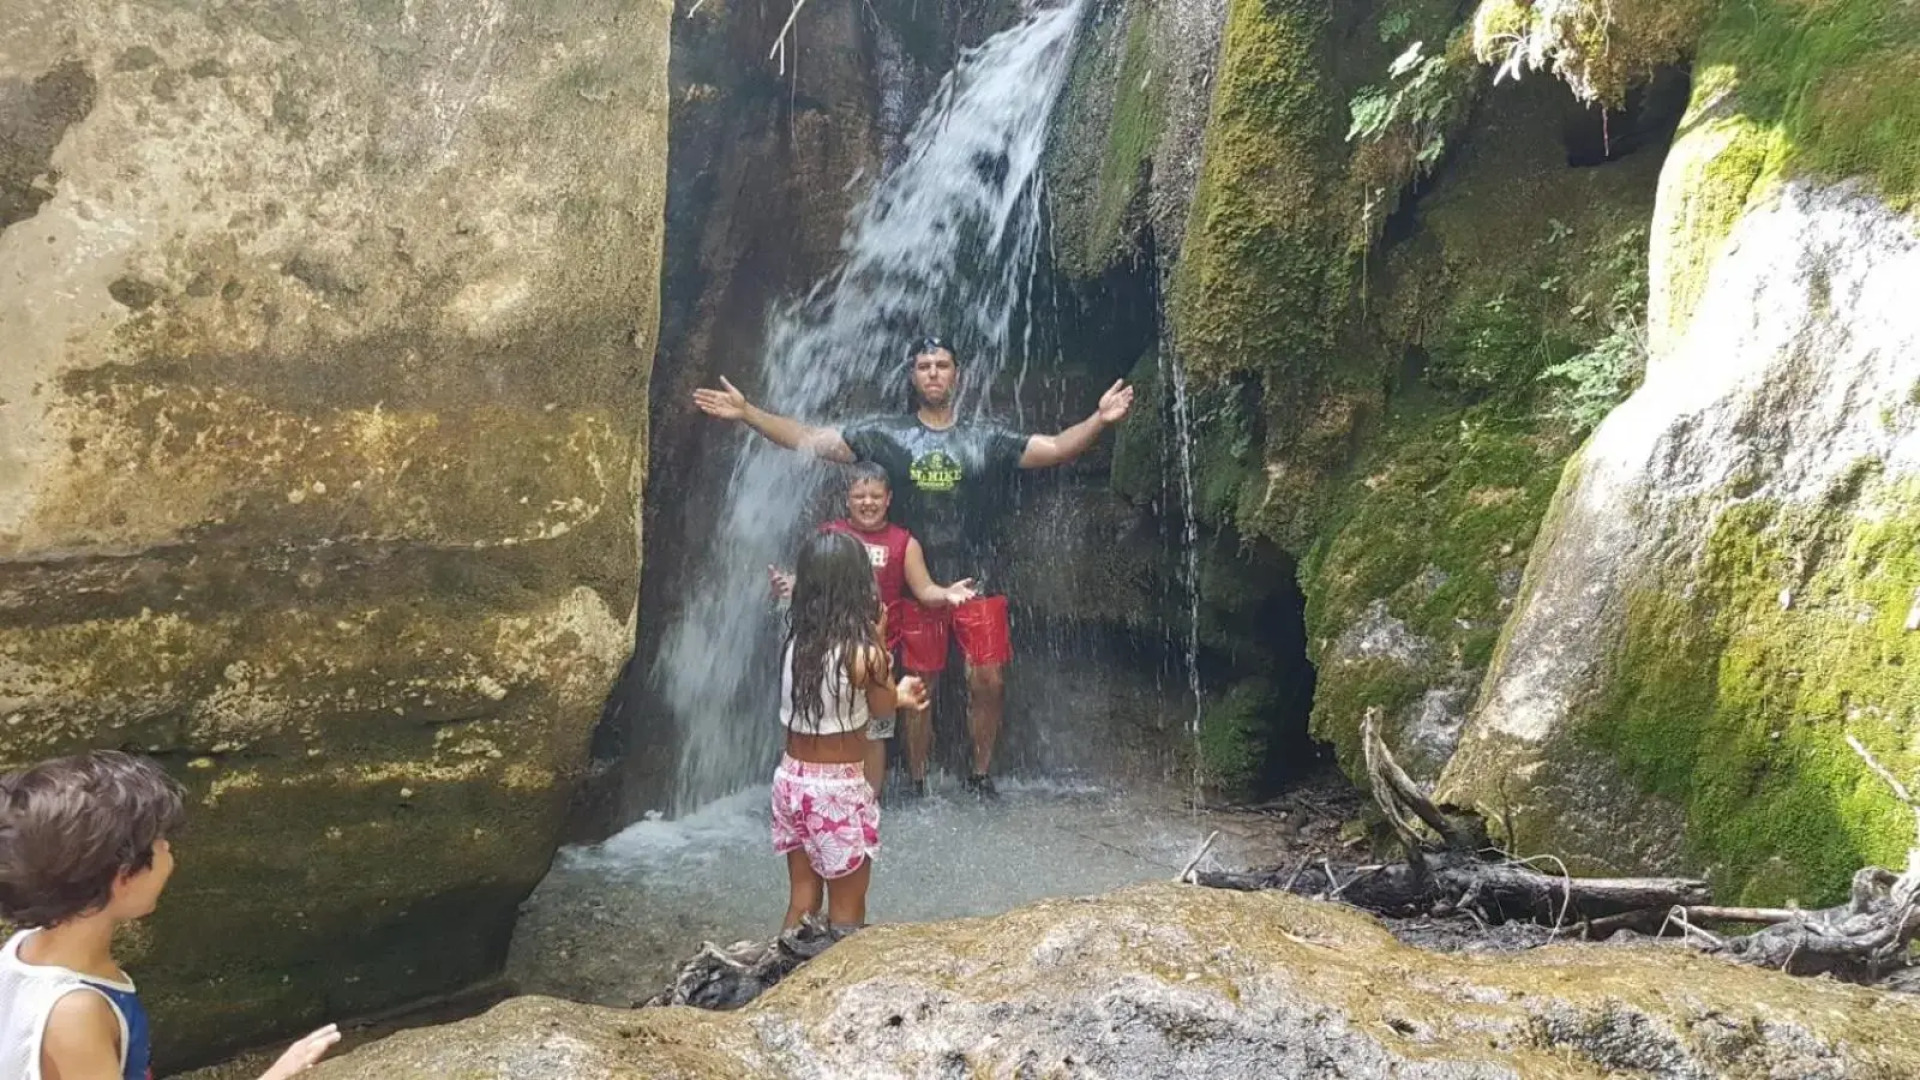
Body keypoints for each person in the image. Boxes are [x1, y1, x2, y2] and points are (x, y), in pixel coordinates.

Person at [698, 336, 1133, 798]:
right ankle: (920, 780)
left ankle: (980, 775)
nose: (932, 372)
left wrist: (1099, 420)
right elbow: (810, 440)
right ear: (912, 376)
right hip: (913, 584)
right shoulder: (886, 434)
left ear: (956, 375)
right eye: (924, 365)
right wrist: (749, 414)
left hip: (977, 578)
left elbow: (1057, 448)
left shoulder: (985, 436)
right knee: (918, 683)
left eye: (941, 365)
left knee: (989, 678)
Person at [0, 750, 340, 1080]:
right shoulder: (75, 1014)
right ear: (124, 878)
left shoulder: (21, 951)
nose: (168, 849)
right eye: (159, 842)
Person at [769, 463, 977, 797]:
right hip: (832, 646)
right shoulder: (829, 535)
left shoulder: (903, 543)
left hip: (882, 646)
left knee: (878, 728)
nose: (868, 502)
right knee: (841, 720)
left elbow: (925, 590)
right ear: (847, 500)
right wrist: (789, 585)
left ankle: (881, 795)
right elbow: (808, 582)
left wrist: (947, 593)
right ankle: (826, 788)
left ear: (889, 498)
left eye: (875, 495)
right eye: (859, 495)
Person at [773, 530, 929, 932]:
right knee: (847, 910)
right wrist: (884, 657)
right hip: (836, 792)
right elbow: (880, 708)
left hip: (791, 781)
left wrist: (895, 692)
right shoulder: (863, 653)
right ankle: (833, 987)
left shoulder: (796, 642)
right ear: (861, 585)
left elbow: (842, 695)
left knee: (803, 899)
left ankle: (785, 979)